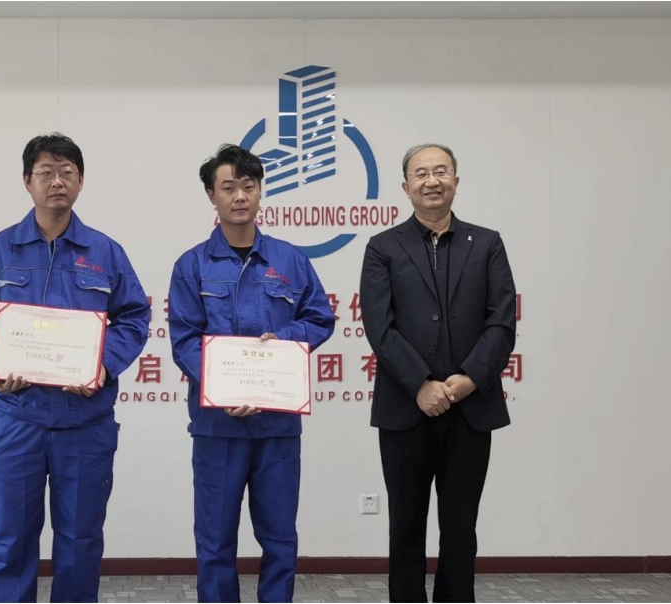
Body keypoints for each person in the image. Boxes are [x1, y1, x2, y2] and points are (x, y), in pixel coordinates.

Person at [0, 133, 150, 603]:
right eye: (46, 172)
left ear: (81, 181)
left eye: (66, 172)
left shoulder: (106, 252)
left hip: (85, 422)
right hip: (15, 418)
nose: (56, 181)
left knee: (80, 544)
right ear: (28, 181)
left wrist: (101, 365)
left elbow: (134, 317)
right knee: (10, 541)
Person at [168, 144, 335, 603]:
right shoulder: (192, 266)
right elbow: (184, 339)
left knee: (280, 538)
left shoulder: (290, 260)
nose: (239, 196)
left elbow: (320, 317)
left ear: (260, 191)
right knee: (215, 541)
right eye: (228, 188)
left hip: (277, 424)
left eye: (248, 186)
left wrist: (285, 338)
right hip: (218, 427)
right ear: (212, 195)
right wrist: (222, 391)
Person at [359, 143, 517, 603]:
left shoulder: (486, 243)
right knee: (405, 528)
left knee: (461, 529)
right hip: (405, 408)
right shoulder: (383, 247)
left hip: (471, 409)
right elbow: (379, 326)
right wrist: (420, 384)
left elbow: (501, 322)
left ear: (456, 181)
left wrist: (468, 379)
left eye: (441, 171)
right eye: (421, 173)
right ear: (405, 186)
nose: (432, 181)